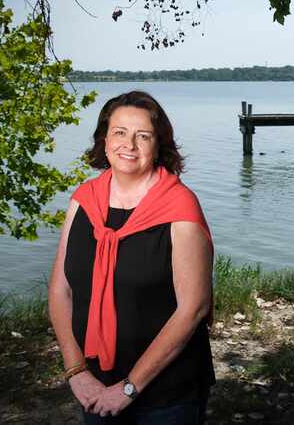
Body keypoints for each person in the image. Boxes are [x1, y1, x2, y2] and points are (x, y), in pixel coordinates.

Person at [48, 91, 215, 424]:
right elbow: (60, 290)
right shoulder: (83, 201)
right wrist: (75, 369)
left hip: (167, 395)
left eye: (143, 136)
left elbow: (192, 308)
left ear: (158, 145)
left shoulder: (179, 207)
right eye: (120, 132)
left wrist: (127, 388)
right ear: (104, 139)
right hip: (94, 385)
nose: (130, 145)